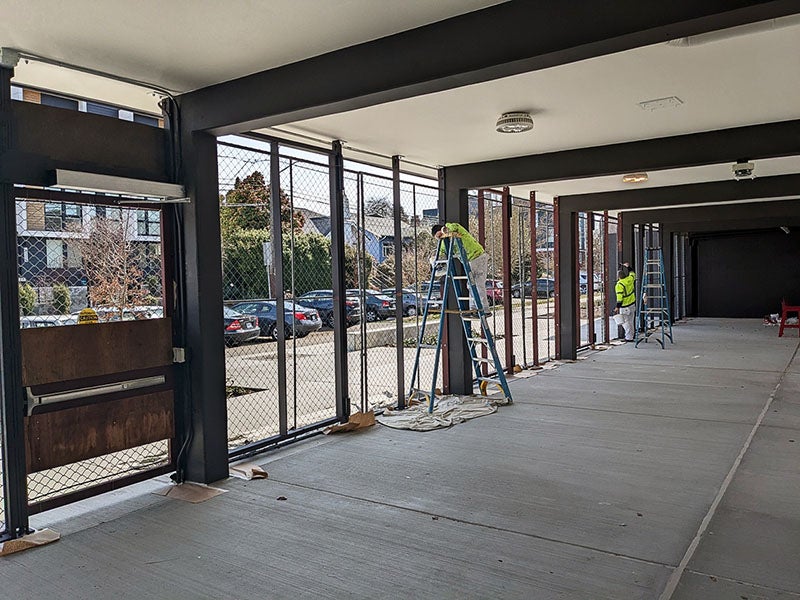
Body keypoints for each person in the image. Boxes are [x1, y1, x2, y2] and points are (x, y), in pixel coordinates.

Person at [431, 222, 488, 315]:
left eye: (440, 235)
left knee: (478, 284)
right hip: (470, 260)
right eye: (438, 237)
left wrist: (444, 230)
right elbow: (441, 253)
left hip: (478, 256)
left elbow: (453, 227)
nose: (441, 238)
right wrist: (435, 261)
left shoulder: (452, 228)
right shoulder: (443, 242)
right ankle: (474, 309)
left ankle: (484, 310)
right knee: (471, 285)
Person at [614, 267, 636, 341]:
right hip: (632, 304)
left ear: (618, 277)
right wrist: (629, 267)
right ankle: (631, 336)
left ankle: (629, 337)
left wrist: (617, 307)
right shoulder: (629, 279)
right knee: (631, 321)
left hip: (625, 306)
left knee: (625, 322)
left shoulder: (619, 285)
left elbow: (619, 298)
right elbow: (632, 274)